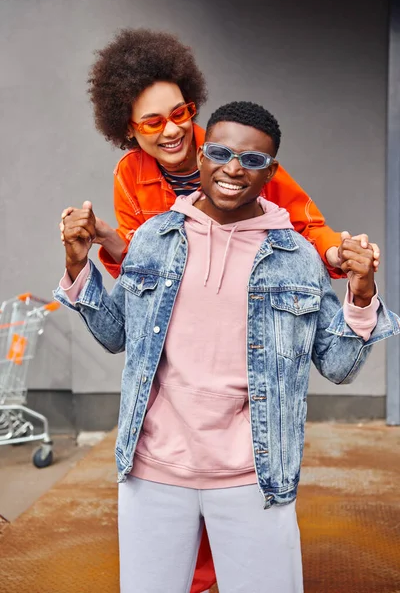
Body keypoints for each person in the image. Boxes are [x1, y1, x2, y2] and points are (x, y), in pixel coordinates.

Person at [60, 35, 379, 588]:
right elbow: (129, 318)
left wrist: (352, 278)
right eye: (152, 122)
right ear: (131, 131)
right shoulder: (148, 216)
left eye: (181, 115)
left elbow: (338, 352)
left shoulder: (291, 252)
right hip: (156, 465)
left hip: (254, 470)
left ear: (269, 169)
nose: (173, 131)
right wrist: (85, 259)